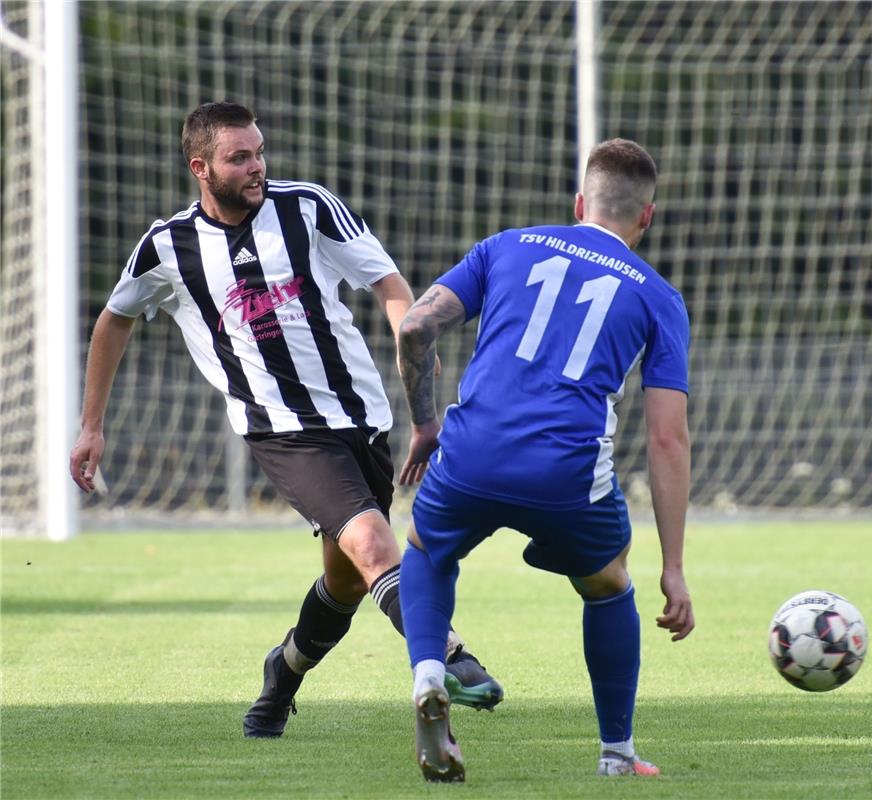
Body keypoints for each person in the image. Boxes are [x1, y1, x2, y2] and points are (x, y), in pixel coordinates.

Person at [68, 101, 503, 740]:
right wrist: (91, 425)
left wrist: (416, 361)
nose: (256, 167)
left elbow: (389, 286)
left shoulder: (310, 208)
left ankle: (283, 675)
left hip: (361, 419)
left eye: (259, 152)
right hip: (281, 429)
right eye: (239, 157)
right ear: (200, 167)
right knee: (374, 544)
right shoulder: (168, 246)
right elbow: (115, 318)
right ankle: (452, 659)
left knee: (347, 581)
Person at [395, 138, 694, 782]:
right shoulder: (659, 297)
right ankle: (616, 753)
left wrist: (425, 423)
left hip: (470, 453)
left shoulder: (507, 245)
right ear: (647, 217)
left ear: (579, 202)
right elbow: (669, 439)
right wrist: (674, 567)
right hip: (566, 473)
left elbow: (416, 326)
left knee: (424, 548)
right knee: (610, 580)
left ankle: (427, 670)